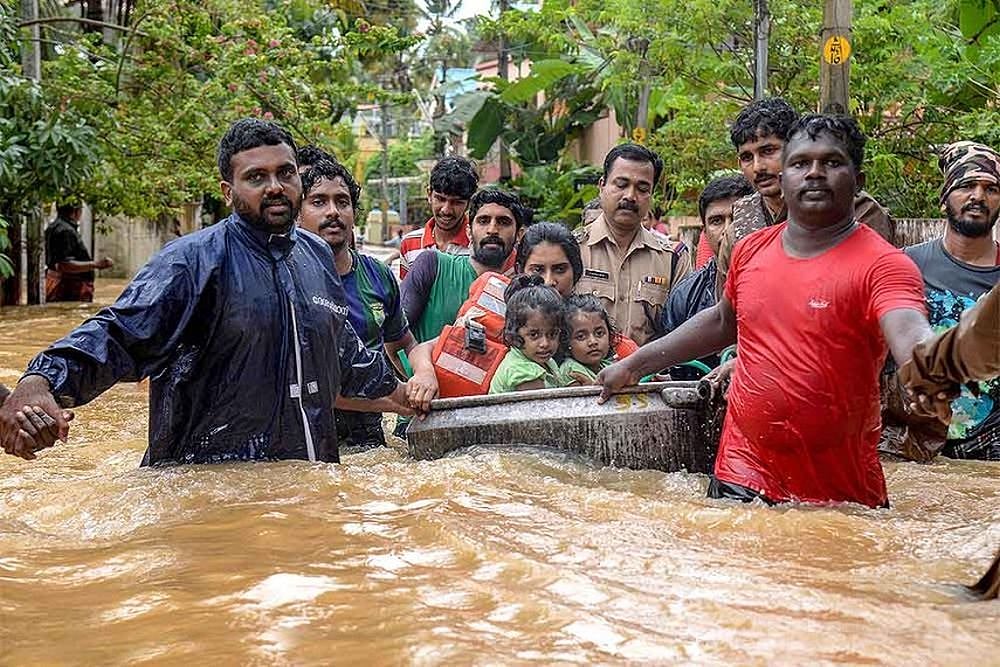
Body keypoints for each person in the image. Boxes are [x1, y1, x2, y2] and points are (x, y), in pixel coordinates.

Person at [0, 118, 414, 464]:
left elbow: (342, 351)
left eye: (285, 173)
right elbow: (118, 334)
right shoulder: (193, 261)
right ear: (227, 190)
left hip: (308, 487)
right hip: (208, 489)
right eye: (256, 177)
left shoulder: (316, 256)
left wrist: (405, 397)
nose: (275, 186)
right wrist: (40, 381)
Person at [597, 114, 933, 508]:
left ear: (857, 181)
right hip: (739, 471)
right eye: (800, 163)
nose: (813, 174)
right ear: (785, 177)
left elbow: (909, 331)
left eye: (831, 163)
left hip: (838, 494)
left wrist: (932, 366)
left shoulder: (884, 265)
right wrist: (637, 365)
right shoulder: (750, 249)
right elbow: (724, 320)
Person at [715, 98, 895, 296]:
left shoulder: (855, 210)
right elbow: (725, 314)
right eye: (747, 157)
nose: (758, 167)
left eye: (768, 151)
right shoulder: (739, 230)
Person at [888, 141, 1000, 461]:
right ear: (944, 199)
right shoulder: (902, 266)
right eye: (966, 185)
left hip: (991, 450)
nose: (978, 196)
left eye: (990, 188)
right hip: (912, 445)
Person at [297, 158, 418, 450]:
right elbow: (304, 383)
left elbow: (404, 344)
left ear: (354, 213)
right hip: (309, 431)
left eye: (342, 202)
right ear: (297, 214)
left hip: (370, 434)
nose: (333, 212)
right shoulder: (287, 280)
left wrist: (423, 377)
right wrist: (396, 400)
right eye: (318, 202)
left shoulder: (377, 275)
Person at [576, 143, 691, 346]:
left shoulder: (673, 259)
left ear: (651, 195)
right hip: (584, 377)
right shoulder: (572, 250)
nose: (630, 196)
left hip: (648, 376)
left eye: (642, 188)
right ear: (602, 186)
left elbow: (683, 332)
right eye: (621, 184)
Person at [401, 188, 526, 344]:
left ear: (519, 235)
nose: (492, 230)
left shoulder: (522, 294)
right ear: (469, 231)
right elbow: (393, 334)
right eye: (483, 221)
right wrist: (420, 366)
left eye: (503, 222)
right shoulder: (433, 265)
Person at [661, 173, 753, 344]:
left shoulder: (782, 279)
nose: (728, 230)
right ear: (705, 230)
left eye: (736, 218)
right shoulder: (685, 295)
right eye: (717, 221)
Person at [399, 156, 479, 278]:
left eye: (457, 202)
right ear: (429, 194)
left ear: (469, 203)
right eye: (440, 199)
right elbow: (406, 295)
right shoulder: (409, 243)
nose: (446, 210)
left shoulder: (479, 244)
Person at [489, 275, 563, 393]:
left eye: (552, 334)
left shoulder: (545, 361)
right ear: (513, 334)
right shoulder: (523, 372)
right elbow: (541, 409)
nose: (545, 343)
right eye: (534, 335)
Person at [44, 203, 113, 303]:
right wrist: (97, 264)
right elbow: (64, 265)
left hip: (56, 283)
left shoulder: (52, 227)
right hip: (69, 287)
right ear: (76, 212)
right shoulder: (66, 231)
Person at [558, 294, 617, 386]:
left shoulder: (608, 365)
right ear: (567, 341)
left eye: (599, 333)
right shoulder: (572, 371)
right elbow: (581, 400)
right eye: (581, 336)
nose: (593, 342)